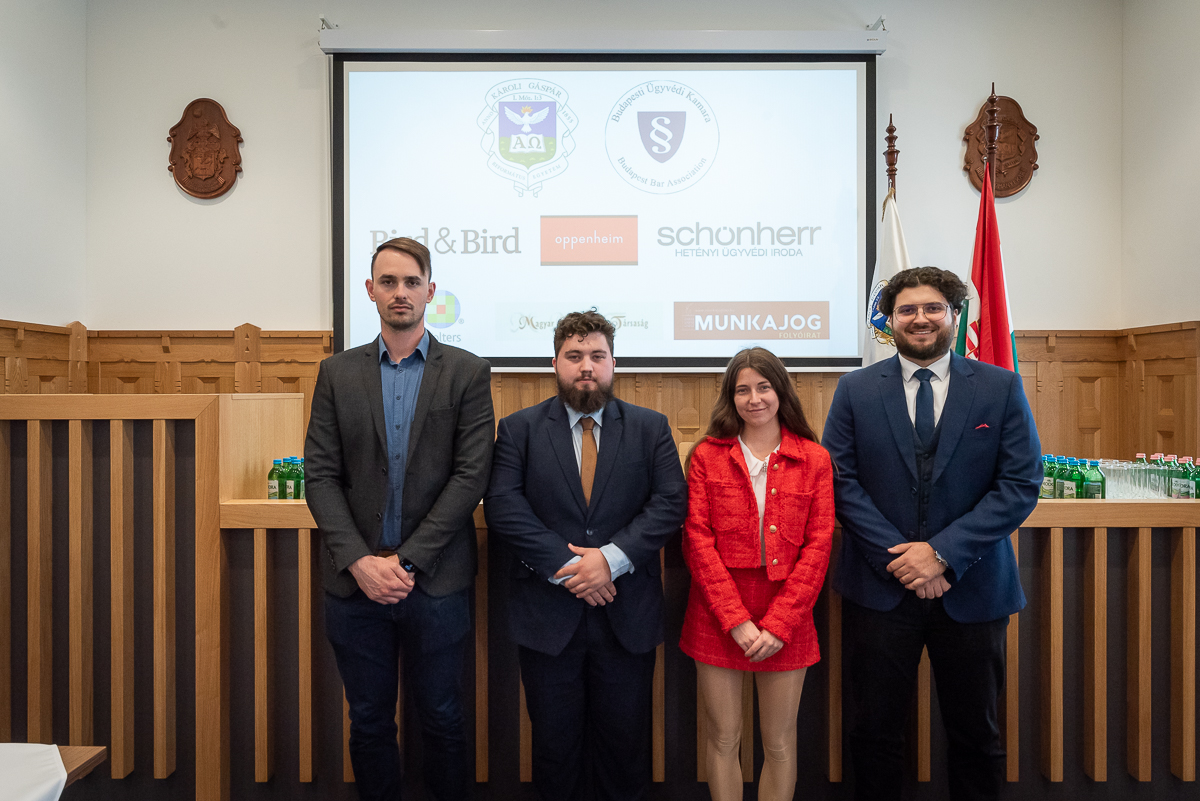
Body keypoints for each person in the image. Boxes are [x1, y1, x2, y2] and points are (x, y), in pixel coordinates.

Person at [822, 266, 1042, 800]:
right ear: (890, 320)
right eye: (907, 310)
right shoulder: (854, 390)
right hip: (881, 591)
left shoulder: (1000, 387)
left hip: (973, 589)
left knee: (977, 737)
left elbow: (1019, 484)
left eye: (932, 308)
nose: (919, 318)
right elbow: (839, 481)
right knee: (874, 735)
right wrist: (901, 561)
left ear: (954, 314)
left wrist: (941, 554)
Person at [304, 237, 495, 801]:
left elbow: (471, 477)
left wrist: (407, 562)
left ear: (430, 291)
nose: (400, 292)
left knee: (443, 716)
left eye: (412, 282)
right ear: (370, 291)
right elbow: (320, 474)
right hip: (354, 584)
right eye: (388, 282)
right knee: (368, 721)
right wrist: (361, 562)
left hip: (436, 582)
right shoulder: (336, 373)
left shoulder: (467, 372)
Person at [484, 310, 687, 801]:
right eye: (574, 356)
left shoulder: (651, 428)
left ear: (613, 363)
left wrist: (610, 560)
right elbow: (504, 507)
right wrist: (575, 567)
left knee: (625, 750)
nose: (586, 366)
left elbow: (670, 503)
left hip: (627, 617)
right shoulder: (519, 429)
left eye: (597, 355)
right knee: (554, 752)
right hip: (548, 618)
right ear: (554, 363)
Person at [680, 347, 834, 801]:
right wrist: (735, 619)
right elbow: (697, 540)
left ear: (781, 391)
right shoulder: (706, 456)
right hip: (717, 613)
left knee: (780, 743)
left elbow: (818, 545)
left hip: (788, 613)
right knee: (723, 738)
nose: (754, 399)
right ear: (730, 397)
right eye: (742, 389)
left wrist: (780, 623)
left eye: (764, 387)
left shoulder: (814, 458)